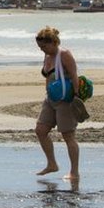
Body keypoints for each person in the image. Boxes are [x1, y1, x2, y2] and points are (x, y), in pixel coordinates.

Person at [33, 26, 81, 180]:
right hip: (50, 99)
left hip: (65, 100)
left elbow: (74, 76)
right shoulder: (47, 56)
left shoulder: (64, 55)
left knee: (68, 136)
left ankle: (74, 172)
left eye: (44, 46)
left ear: (54, 42)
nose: (42, 50)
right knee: (40, 130)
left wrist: (76, 98)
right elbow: (48, 76)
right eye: (40, 47)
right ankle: (52, 164)